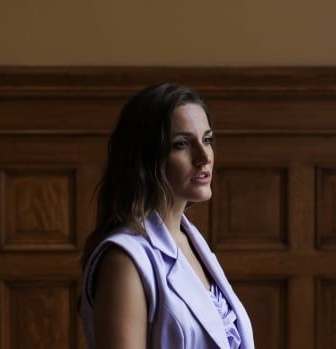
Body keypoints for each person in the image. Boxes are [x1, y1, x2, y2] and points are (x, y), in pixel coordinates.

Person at [78, 83, 255, 349]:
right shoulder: (125, 261)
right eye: (182, 144)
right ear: (146, 158)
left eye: (207, 140)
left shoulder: (191, 241)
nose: (204, 156)